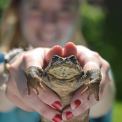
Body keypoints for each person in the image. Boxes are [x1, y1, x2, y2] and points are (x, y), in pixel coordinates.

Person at [0, 0, 115, 122]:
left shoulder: (90, 63)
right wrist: (8, 77)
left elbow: (103, 99)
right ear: (18, 11)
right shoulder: (11, 65)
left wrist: (100, 86)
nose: (49, 22)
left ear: (76, 15)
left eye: (64, 9)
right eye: (35, 7)